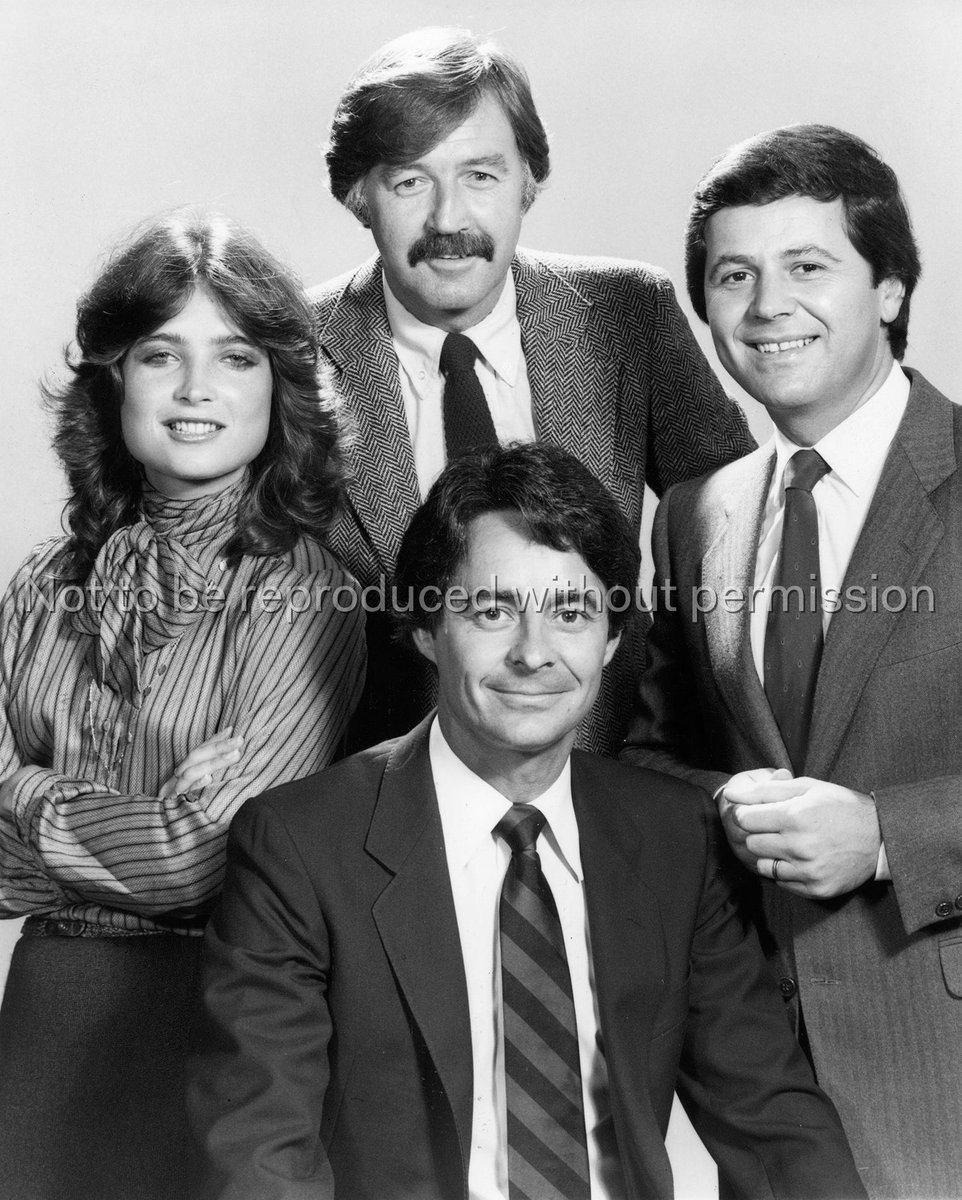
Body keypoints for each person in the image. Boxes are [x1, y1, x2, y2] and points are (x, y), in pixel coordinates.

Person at [190, 442, 866, 1200]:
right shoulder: (298, 844)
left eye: (571, 613)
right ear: (425, 628)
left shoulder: (678, 835)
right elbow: (261, 1154)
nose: (534, 653)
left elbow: (772, 1120)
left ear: (613, 638)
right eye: (492, 611)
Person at [623, 124, 962, 1197]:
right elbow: (646, 755)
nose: (768, 305)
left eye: (807, 266)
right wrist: (728, 801)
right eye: (735, 276)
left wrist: (886, 838)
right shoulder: (695, 515)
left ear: (891, 289)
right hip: (766, 1095)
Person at [0, 209, 366, 1200]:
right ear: (112, 378)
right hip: (45, 1012)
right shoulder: (42, 583)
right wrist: (139, 813)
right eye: (161, 354)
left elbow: (202, 856)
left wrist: (24, 792)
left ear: (280, 388)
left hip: (214, 1009)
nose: (197, 389)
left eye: (236, 358)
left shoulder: (303, 590)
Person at [312, 26, 755, 754]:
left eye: (481, 176)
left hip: (615, 777)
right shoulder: (288, 352)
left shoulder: (628, 312)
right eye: (410, 181)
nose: (449, 220)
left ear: (528, 182)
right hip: (381, 797)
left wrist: (659, 749)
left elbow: (738, 536)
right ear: (359, 196)